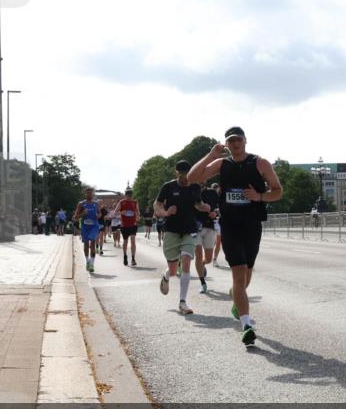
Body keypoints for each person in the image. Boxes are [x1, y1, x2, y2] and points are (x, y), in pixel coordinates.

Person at [188, 126, 283, 347]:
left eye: (238, 139)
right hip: (230, 226)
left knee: (246, 276)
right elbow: (192, 178)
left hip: (252, 225)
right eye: (231, 141)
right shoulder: (222, 163)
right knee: (239, 275)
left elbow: (278, 191)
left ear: (245, 140)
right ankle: (246, 325)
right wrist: (211, 155)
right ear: (226, 144)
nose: (235, 144)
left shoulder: (260, 163)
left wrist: (259, 196)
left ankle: (236, 299)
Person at [153, 160, 210, 315]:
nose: (185, 177)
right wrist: (165, 213)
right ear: (176, 173)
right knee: (173, 270)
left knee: (186, 261)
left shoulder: (195, 187)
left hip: (189, 230)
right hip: (171, 230)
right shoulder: (168, 187)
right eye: (182, 174)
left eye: (187, 174)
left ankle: (182, 302)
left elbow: (198, 204)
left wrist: (204, 207)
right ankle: (166, 276)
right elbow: (157, 205)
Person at [73, 187, 102, 273]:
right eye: (87, 193)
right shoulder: (81, 204)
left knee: (92, 243)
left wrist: (98, 215)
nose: (89, 194)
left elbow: (100, 213)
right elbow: (75, 217)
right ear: (85, 194)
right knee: (86, 245)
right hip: (85, 227)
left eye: (91, 193)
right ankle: (87, 261)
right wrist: (82, 214)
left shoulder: (96, 204)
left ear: (93, 194)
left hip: (94, 226)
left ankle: (92, 264)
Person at [116, 187, 140, 266]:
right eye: (127, 194)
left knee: (133, 241)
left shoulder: (135, 202)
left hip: (133, 224)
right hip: (124, 225)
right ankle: (125, 256)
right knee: (125, 242)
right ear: (125, 194)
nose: (129, 195)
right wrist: (121, 212)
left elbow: (137, 211)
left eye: (130, 194)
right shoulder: (121, 202)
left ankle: (133, 259)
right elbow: (115, 212)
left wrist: (138, 216)